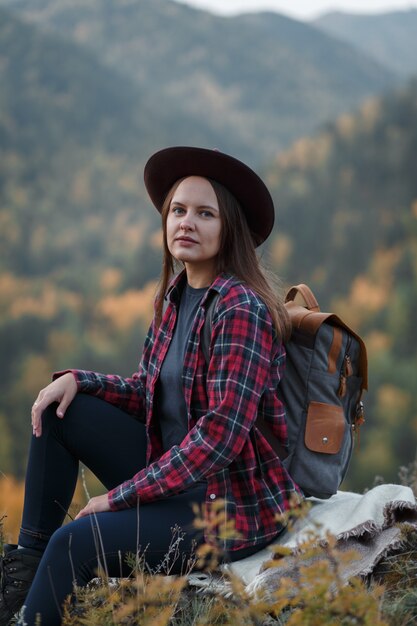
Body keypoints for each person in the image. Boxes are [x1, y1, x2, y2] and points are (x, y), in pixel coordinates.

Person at [0, 146, 302, 625]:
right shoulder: (176, 297)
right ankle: (24, 578)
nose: (187, 222)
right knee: (62, 411)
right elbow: (147, 393)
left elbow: (219, 438)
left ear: (229, 230)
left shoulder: (240, 309)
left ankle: (36, 604)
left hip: (227, 507)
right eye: (179, 210)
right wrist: (80, 381)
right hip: (178, 477)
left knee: (75, 541)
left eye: (205, 214)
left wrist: (117, 499)